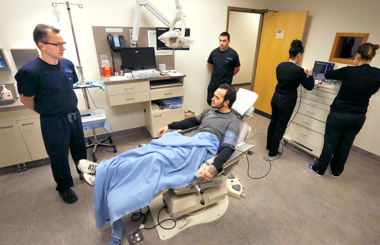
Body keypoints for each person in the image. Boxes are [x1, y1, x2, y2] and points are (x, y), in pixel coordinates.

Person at [81, 84, 239, 245]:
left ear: (226, 102)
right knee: (147, 152)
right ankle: (105, 171)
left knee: (154, 159)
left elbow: (229, 148)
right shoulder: (210, 110)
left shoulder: (232, 122)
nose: (212, 98)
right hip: (190, 141)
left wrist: (214, 167)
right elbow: (191, 121)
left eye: (217, 97)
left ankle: (103, 172)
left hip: (200, 150)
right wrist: (170, 126)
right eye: (214, 95)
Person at [14, 24, 87, 204]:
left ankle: (84, 172)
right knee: (59, 156)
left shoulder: (67, 64)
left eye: (63, 43)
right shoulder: (30, 71)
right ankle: (64, 187)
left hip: (73, 115)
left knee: (79, 148)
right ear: (42, 45)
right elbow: (26, 99)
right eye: (57, 44)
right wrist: (47, 112)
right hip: (53, 120)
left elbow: (69, 88)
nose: (63, 48)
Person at [307, 43, 380, 178]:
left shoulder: (348, 71)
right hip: (358, 117)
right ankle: (336, 171)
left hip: (339, 114)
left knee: (330, 143)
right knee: (345, 145)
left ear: (357, 55)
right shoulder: (377, 74)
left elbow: (327, 74)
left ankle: (319, 169)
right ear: (373, 56)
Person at [266, 40, 315, 157]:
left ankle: (269, 145)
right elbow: (309, 86)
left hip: (276, 99)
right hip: (287, 102)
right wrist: (310, 75)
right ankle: (273, 151)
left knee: (273, 122)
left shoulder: (280, 66)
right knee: (280, 126)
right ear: (299, 55)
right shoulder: (299, 71)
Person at [206, 32, 240, 105]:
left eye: (224, 41)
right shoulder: (214, 52)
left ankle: (220, 116)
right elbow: (211, 66)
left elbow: (237, 69)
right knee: (210, 101)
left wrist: (227, 75)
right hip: (214, 83)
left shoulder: (233, 54)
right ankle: (213, 116)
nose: (222, 43)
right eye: (220, 40)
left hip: (225, 84)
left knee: (222, 103)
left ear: (229, 41)